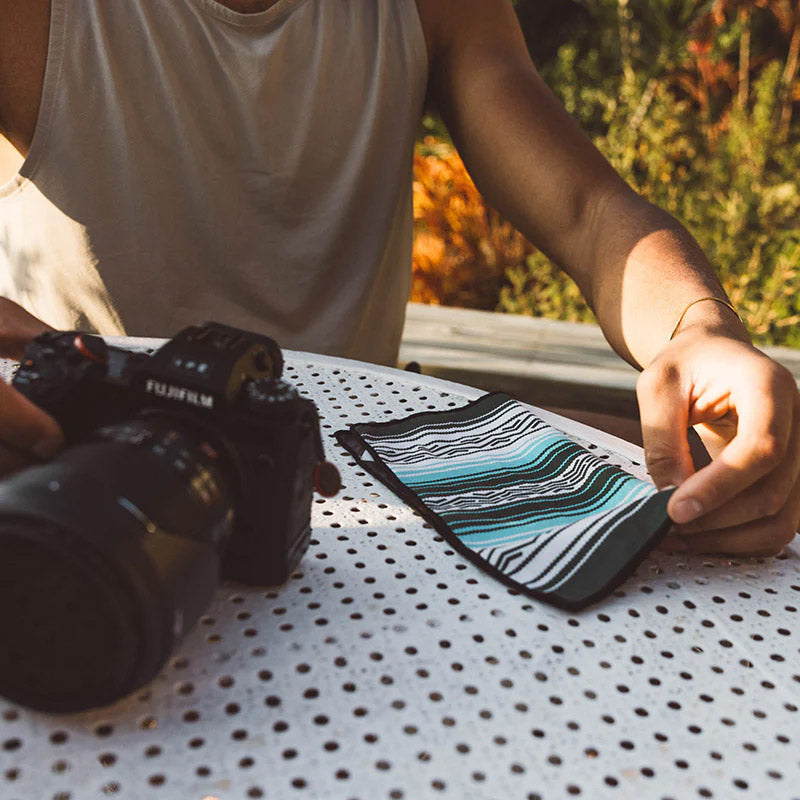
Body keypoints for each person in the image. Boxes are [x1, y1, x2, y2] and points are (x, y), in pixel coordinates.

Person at [0, 0, 798, 556]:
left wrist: (702, 330)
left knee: (721, 486)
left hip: (357, 463)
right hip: (74, 465)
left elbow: (587, 211)